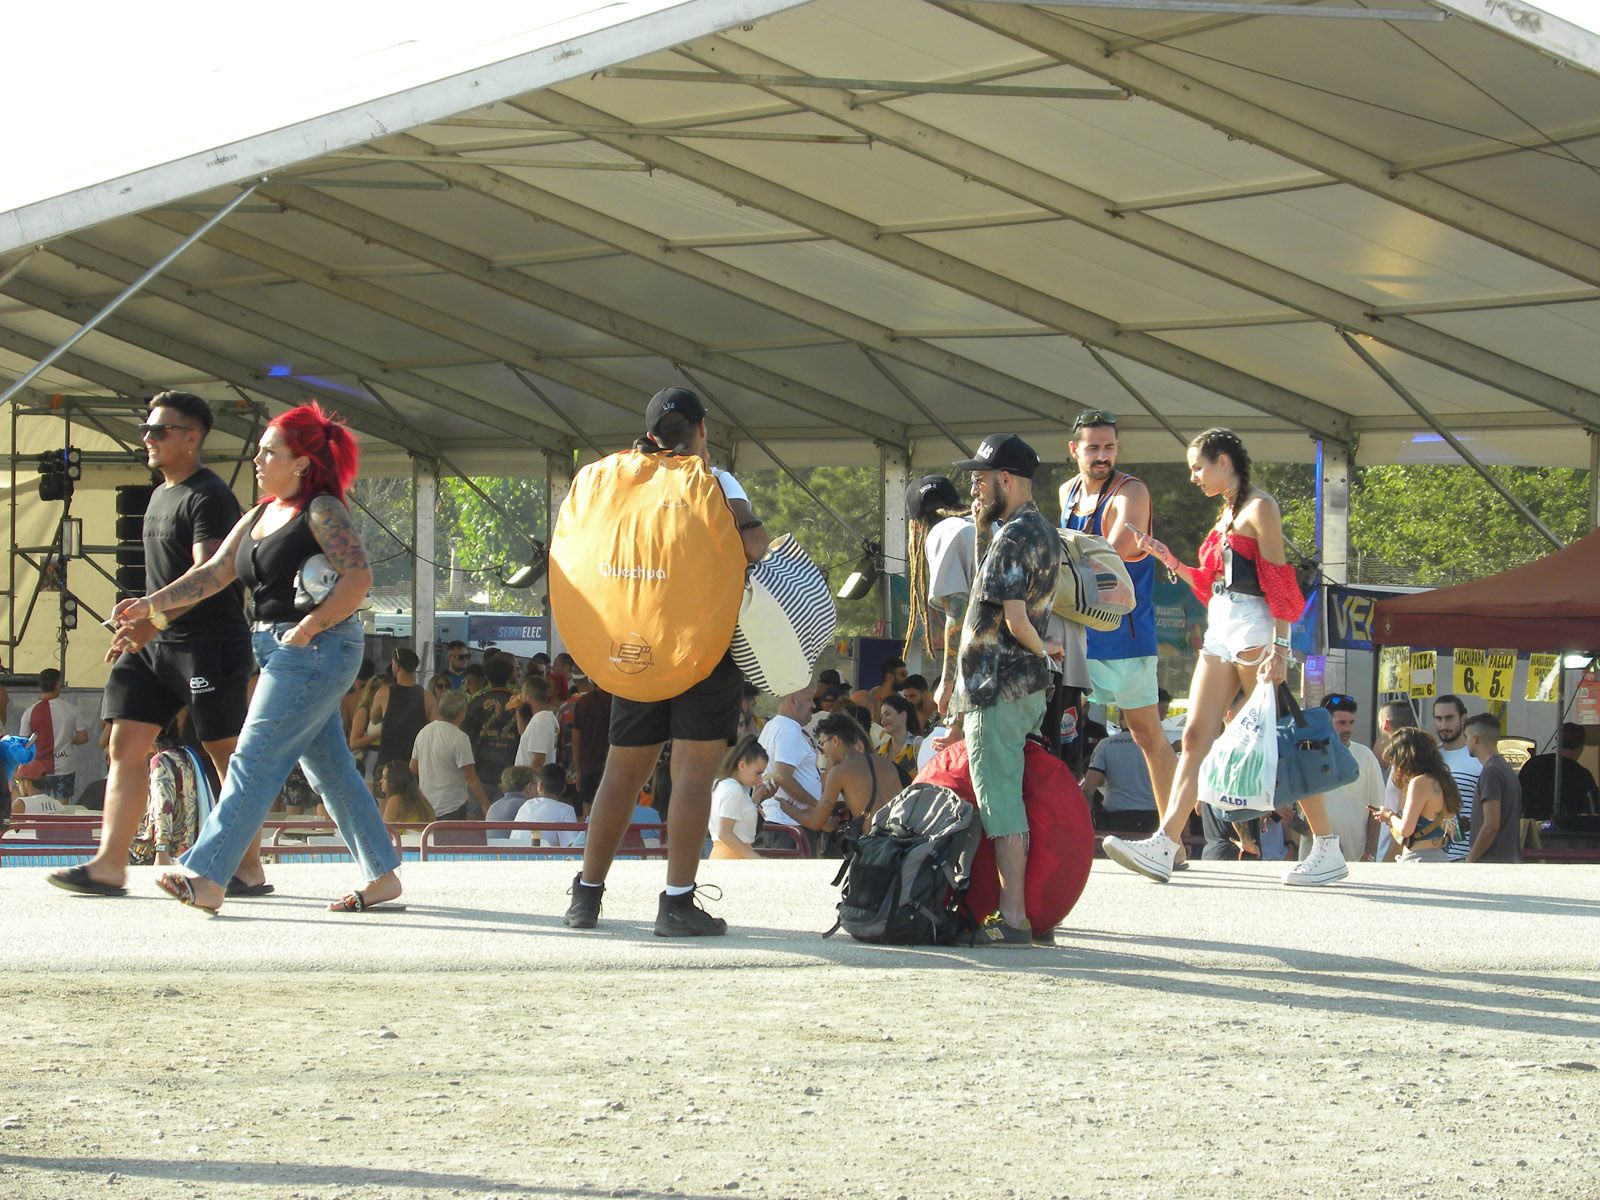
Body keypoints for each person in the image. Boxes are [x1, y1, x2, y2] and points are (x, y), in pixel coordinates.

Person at [118, 401, 403, 914]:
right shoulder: (261, 512)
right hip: (280, 646)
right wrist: (150, 604)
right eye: (259, 450)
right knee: (330, 768)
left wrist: (310, 626)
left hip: (316, 646)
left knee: (253, 757)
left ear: (300, 461)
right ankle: (383, 874)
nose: (257, 458)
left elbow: (359, 579)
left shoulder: (322, 508)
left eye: (269, 451)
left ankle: (207, 875)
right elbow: (211, 576)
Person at [562, 385, 770, 936]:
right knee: (692, 776)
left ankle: (586, 896)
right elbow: (753, 546)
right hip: (703, 648)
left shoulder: (620, 482)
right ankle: (676, 903)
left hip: (637, 648)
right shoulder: (715, 481)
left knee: (620, 773)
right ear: (702, 431)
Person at [1103, 428, 1345, 886]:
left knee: (1282, 737)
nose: (1193, 476)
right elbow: (1212, 581)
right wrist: (1169, 560)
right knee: (1194, 735)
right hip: (1221, 627)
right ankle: (1165, 842)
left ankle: (1327, 846)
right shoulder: (1227, 512)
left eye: (1198, 466)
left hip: (1255, 627)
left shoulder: (1260, 508)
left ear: (1222, 461)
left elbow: (1278, 582)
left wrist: (1281, 647)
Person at [48, 391, 260, 899]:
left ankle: (248, 866)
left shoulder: (209, 496)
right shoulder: (160, 493)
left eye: (159, 430)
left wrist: (154, 616)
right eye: (147, 429)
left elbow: (208, 574)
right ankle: (109, 865)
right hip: (154, 643)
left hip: (207, 643)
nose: (148, 438)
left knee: (224, 753)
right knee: (124, 745)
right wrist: (140, 615)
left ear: (192, 438)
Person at [934, 433, 1062, 945]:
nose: (974, 487)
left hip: (1000, 687)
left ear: (1005, 480)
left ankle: (1011, 918)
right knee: (1012, 796)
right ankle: (1016, 913)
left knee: (1000, 803)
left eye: (981, 479)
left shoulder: (1012, 537)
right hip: (1020, 689)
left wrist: (1040, 650)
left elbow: (1013, 619)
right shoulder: (1042, 530)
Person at [1060, 410, 1176, 827]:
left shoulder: (1133, 493)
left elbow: (1110, 555)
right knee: (1055, 733)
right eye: (1093, 447)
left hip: (1124, 640)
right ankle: (1057, 833)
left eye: (1109, 447)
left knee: (1148, 736)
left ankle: (1171, 838)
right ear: (1074, 450)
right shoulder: (1066, 493)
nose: (1102, 455)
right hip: (1076, 640)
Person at [1297, 693, 1382, 865]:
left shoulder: (1365, 756)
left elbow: (1376, 810)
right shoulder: (1307, 754)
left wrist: (1370, 854)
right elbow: (1290, 813)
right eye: (1341, 723)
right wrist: (1325, 841)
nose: (1348, 729)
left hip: (1356, 859)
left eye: (1351, 723)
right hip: (1313, 856)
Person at [1083, 689, 1172, 836]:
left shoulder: (1106, 745)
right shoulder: (1160, 745)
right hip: (1153, 819)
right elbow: (1173, 788)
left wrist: (1086, 828)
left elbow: (1088, 789)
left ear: (1122, 714)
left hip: (1115, 820)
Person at [1374, 727, 1462, 863]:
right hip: (1441, 856)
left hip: (1419, 859)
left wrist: (1389, 816)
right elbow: (1454, 830)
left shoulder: (1419, 782)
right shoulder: (1443, 780)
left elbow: (1405, 830)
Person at [759, 686, 823, 856]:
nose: (814, 706)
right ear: (793, 701)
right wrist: (818, 806)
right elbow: (783, 777)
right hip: (788, 825)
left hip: (780, 822)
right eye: (809, 700)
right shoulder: (788, 729)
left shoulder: (775, 725)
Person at [816, 712, 902, 831]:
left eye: (822, 743)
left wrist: (790, 809)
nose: (823, 752)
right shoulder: (887, 764)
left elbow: (819, 823)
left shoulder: (839, 771)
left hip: (872, 843)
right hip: (899, 840)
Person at [411, 690, 488, 821]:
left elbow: (413, 768)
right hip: (453, 805)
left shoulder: (423, 732)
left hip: (426, 804)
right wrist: (485, 804)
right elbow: (470, 777)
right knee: (451, 842)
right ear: (460, 713)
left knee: (428, 841)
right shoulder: (459, 738)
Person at [18, 669, 89, 801]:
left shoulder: (30, 712)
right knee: (62, 810)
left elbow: (23, 743)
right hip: (65, 767)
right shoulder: (71, 709)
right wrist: (70, 741)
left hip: (38, 769)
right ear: (57, 685)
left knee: (38, 807)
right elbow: (83, 737)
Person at [1463, 711, 1522, 863]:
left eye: (1467, 737)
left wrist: (1471, 858)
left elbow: (1491, 825)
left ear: (1475, 739)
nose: (1466, 742)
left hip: (1493, 863)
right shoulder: (1505, 768)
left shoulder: (1491, 772)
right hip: (1507, 859)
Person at [365, 648, 435, 772]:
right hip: (415, 766)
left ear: (396, 666)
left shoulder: (383, 693)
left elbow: (373, 719)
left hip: (387, 766)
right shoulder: (427, 697)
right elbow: (436, 728)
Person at [1432, 695, 1482, 861]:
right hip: (1431, 856)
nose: (1444, 725)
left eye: (1449, 718)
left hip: (1465, 856)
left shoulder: (1478, 758)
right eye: (1438, 719)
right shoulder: (1430, 758)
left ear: (1463, 718)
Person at [463, 655, 521, 794]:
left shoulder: (476, 703)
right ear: (509, 677)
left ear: (487, 677)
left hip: (480, 772)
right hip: (511, 774)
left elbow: (465, 736)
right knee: (506, 815)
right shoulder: (519, 703)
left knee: (476, 815)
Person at [708, 735, 772, 860]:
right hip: (732, 859)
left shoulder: (722, 784)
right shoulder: (734, 790)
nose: (760, 780)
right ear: (742, 765)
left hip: (725, 855)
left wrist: (753, 802)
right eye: (758, 773)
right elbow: (725, 833)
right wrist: (757, 859)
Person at [1519, 722, 1598, 822]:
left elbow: (1517, 798)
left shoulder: (1532, 764)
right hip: (1568, 833)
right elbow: (1592, 811)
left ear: (1557, 742)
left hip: (1532, 830)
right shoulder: (1583, 776)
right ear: (1581, 747)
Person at [568, 678, 611, 818]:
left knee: (587, 812)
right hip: (613, 766)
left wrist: (578, 771)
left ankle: (587, 839)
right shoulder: (618, 702)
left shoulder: (583, 703)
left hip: (588, 766)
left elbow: (575, 741)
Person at [512, 763, 581, 848]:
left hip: (515, 857)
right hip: (542, 859)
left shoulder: (526, 805)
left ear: (539, 786)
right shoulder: (566, 810)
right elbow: (572, 848)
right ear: (564, 788)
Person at [514, 676, 560, 770]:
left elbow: (538, 760)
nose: (520, 698)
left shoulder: (540, 720)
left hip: (531, 782)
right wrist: (518, 710)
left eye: (522, 695)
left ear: (528, 696)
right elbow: (523, 733)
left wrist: (526, 781)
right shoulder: (544, 717)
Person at [877, 693, 922, 786]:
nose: (883, 721)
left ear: (903, 716)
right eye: (881, 717)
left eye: (887, 714)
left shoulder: (918, 745)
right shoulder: (881, 749)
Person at [376, 761, 434, 825]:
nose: (380, 781)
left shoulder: (395, 800)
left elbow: (385, 831)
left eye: (384, 777)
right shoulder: (423, 801)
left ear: (394, 780)